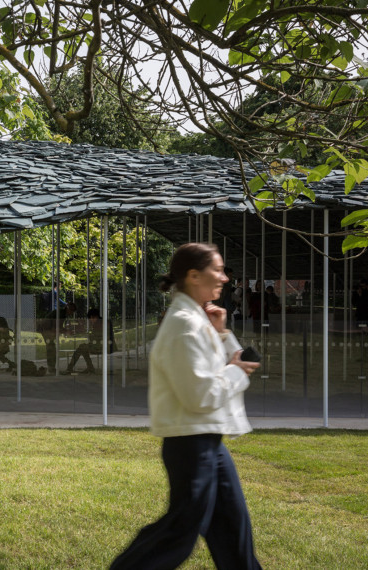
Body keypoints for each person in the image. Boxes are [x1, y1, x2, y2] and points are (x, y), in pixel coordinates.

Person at [110, 242, 262, 570]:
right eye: (218, 270)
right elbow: (201, 395)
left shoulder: (197, 320)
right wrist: (236, 371)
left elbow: (222, 367)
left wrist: (221, 334)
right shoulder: (183, 325)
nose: (224, 277)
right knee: (178, 533)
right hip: (191, 444)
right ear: (194, 276)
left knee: (232, 531)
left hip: (208, 443)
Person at [62, 308, 116, 374]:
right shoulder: (104, 321)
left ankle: (70, 368)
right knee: (83, 348)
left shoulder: (99, 323)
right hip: (107, 345)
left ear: (93, 317)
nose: (90, 321)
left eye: (90, 319)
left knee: (81, 348)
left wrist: (86, 334)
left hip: (102, 346)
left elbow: (96, 337)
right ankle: (90, 367)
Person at [36, 301, 77, 373]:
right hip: (46, 329)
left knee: (51, 347)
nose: (72, 312)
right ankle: (51, 367)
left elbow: (58, 327)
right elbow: (57, 327)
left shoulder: (62, 314)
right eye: (71, 310)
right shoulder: (61, 314)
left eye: (73, 311)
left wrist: (65, 331)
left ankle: (51, 367)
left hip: (47, 328)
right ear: (68, 309)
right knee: (51, 347)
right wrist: (66, 331)